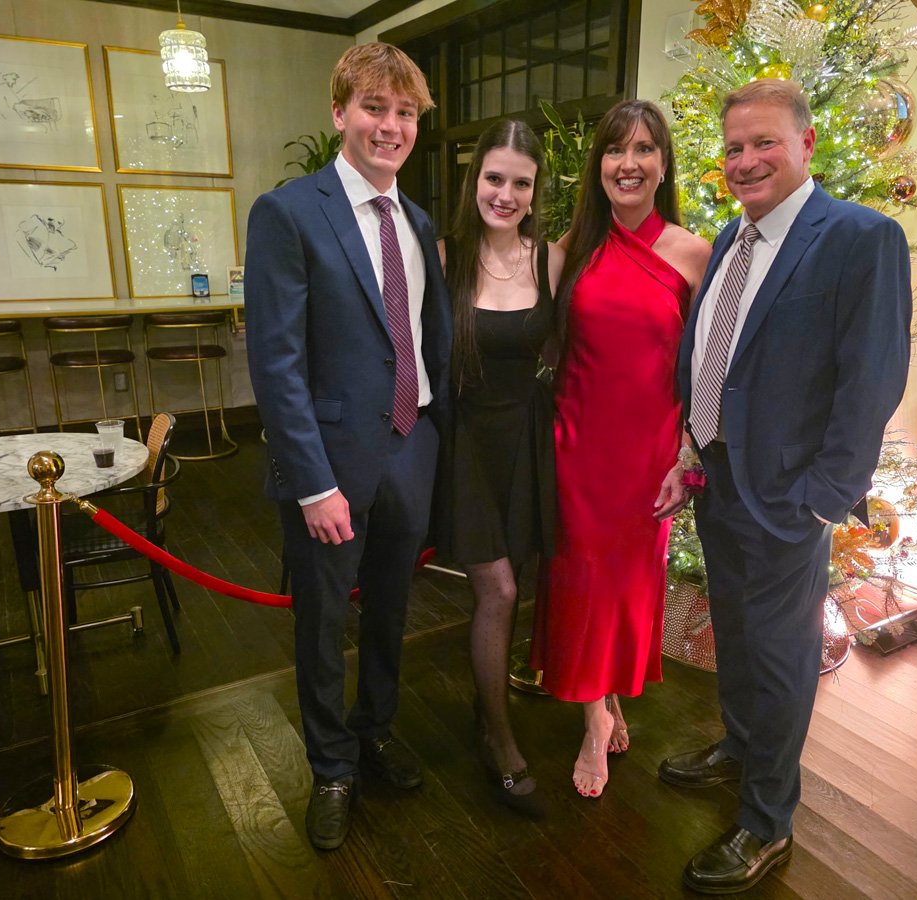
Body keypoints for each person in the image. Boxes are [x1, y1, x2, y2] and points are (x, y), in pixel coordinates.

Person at [661, 79, 912, 894]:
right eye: (733, 148)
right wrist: (693, 447)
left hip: (788, 496)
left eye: (763, 142)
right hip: (720, 477)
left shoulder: (858, 238)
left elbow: (871, 378)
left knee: (780, 654)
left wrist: (821, 496)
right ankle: (739, 745)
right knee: (735, 631)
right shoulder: (731, 241)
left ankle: (766, 822)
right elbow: (715, 355)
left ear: (805, 144)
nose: (745, 160)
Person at [244, 42, 451, 851]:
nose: (390, 126)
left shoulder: (420, 221)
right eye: (374, 108)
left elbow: (426, 344)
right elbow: (277, 363)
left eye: (404, 113)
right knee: (324, 623)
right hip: (329, 469)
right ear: (339, 113)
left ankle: (374, 732)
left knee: (393, 613)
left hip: (412, 446)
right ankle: (330, 765)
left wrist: (433, 438)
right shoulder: (289, 212)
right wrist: (311, 482)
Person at [529, 99, 711, 800]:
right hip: (575, 446)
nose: (627, 163)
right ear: (597, 166)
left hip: (648, 458)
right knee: (579, 585)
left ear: (664, 164)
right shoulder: (569, 248)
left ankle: (606, 698)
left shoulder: (694, 252)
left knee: (626, 588)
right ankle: (594, 717)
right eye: (614, 151)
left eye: (643, 150)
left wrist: (687, 458)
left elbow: (708, 368)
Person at [437, 119, 564, 819]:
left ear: (534, 189)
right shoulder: (444, 255)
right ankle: (500, 740)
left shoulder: (550, 259)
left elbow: (578, 347)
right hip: (465, 444)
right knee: (500, 591)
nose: (505, 194)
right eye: (494, 178)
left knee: (522, 580)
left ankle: (484, 707)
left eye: (520, 182)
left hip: (528, 437)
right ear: (474, 180)